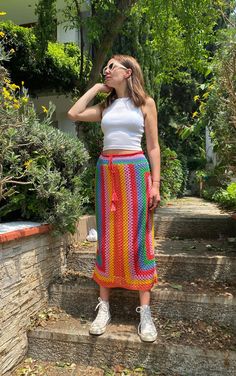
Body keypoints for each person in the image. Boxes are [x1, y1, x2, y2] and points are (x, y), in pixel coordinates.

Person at [68, 54, 161, 342]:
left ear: (129, 72)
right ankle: (104, 307)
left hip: (136, 171)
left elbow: (154, 147)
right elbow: (73, 113)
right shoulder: (105, 106)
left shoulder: (145, 103)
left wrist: (156, 183)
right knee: (107, 238)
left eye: (112, 67)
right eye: (105, 67)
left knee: (139, 237)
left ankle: (145, 313)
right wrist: (97, 87)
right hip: (107, 173)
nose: (106, 71)